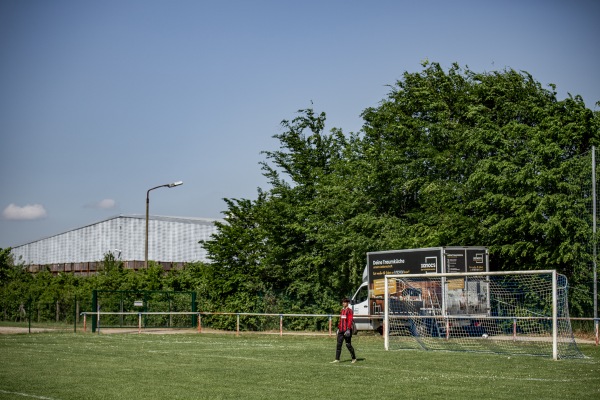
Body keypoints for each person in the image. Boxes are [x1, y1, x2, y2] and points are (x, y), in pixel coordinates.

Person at [331, 298, 357, 363]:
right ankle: (337, 359)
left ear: (347, 303)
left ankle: (354, 358)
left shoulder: (349, 310)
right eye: (343, 302)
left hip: (347, 330)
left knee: (348, 345)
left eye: (345, 302)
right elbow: (341, 320)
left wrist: (348, 329)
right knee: (339, 344)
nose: (343, 303)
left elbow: (350, 320)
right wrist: (338, 328)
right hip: (341, 330)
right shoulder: (342, 310)